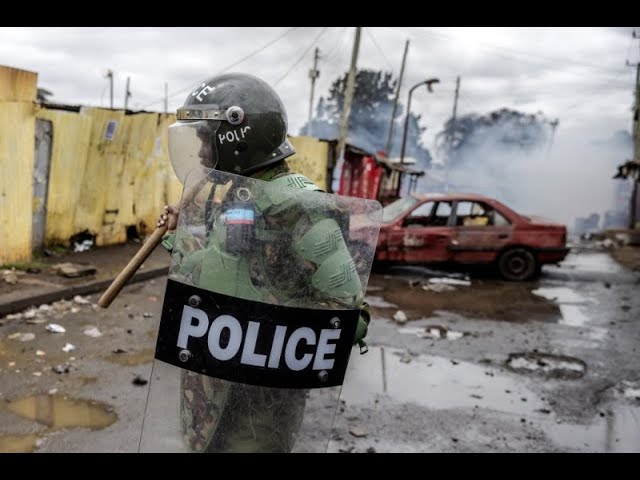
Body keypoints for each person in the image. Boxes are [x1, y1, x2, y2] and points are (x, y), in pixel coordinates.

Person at [154, 72, 373, 453]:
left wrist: (270, 328)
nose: (203, 152)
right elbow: (218, 269)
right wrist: (179, 235)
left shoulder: (301, 211)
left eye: (207, 139)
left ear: (238, 138)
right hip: (211, 399)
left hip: (260, 415)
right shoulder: (240, 198)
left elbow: (351, 320)